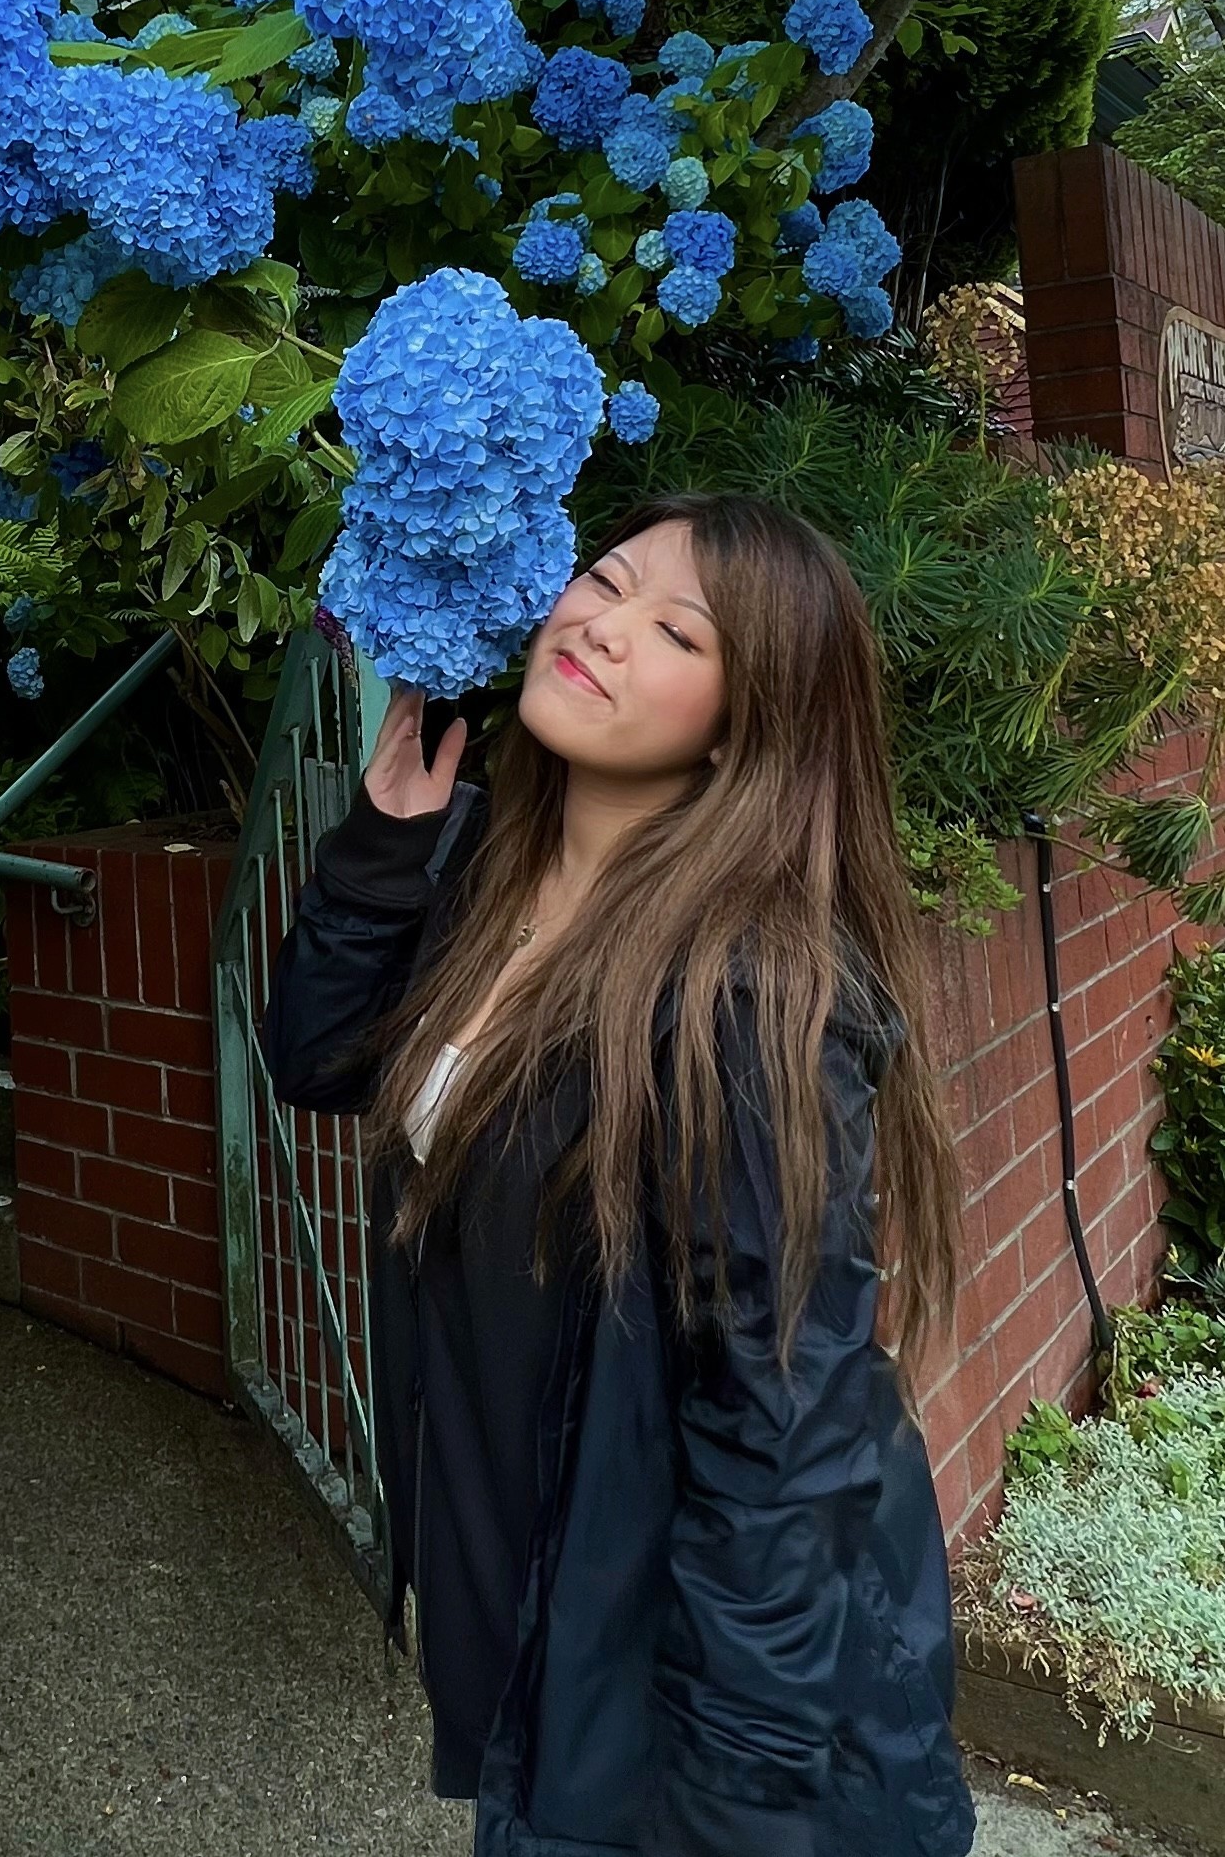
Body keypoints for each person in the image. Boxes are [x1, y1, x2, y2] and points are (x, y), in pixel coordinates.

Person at [261, 492, 974, 1857]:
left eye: (679, 632)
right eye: (603, 579)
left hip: (658, 1729)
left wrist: (740, 1806)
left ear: (744, 726)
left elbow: (784, 1439)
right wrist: (385, 844)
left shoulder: (744, 999)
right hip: (531, 1633)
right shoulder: (483, 867)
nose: (604, 624)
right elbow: (316, 1060)